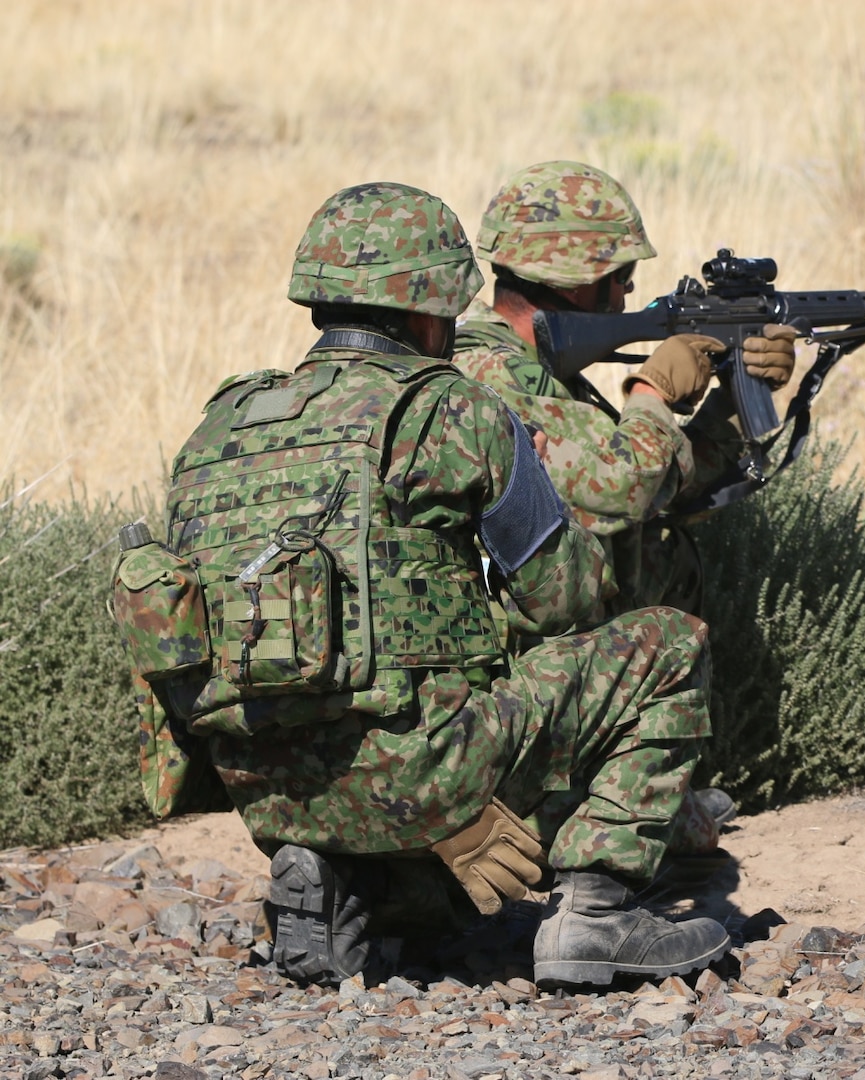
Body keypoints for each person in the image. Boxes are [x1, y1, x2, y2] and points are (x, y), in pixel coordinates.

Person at [110, 181, 730, 990]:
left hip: (267, 787)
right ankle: (597, 914)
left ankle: (337, 881)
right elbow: (567, 600)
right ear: (434, 302)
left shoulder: (220, 425)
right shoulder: (454, 411)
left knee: (439, 911)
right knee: (668, 644)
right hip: (421, 772)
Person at [456, 161, 797, 852]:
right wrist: (651, 392)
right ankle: (592, 833)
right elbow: (619, 490)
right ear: (582, 280)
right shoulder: (487, 373)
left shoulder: (546, 377)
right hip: (496, 693)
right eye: (621, 281)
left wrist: (735, 402)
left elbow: (659, 488)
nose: (627, 297)